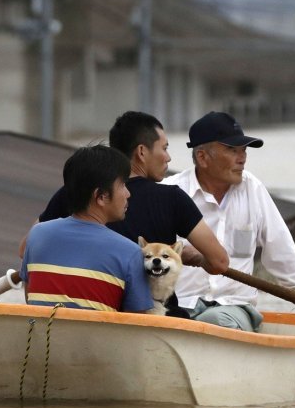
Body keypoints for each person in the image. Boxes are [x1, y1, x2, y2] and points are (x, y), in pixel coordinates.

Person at [31, 111, 229, 316]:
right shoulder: (170, 199)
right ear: (142, 152)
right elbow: (219, 262)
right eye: (165, 148)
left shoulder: (76, 191)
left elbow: (27, 248)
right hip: (153, 317)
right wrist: (184, 255)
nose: (168, 157)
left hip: (86, 311)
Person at [163, 111, 295, 331]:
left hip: (234, 307)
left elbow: (280, 248)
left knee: (216, 322)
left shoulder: (253, 189)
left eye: (243, 150)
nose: (242, 158)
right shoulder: (170, 191)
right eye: (232, 150)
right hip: (180, 305)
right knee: (176, 323)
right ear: (203, 157)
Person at [20, 144, 153, 312]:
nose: (128, 193)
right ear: (101, 196)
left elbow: (30, 302)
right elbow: (136, 325)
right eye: (122, 185)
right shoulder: (130, 253)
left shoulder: (37, 235)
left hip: (42, 336)